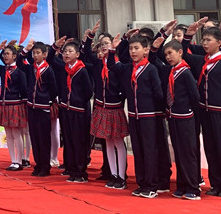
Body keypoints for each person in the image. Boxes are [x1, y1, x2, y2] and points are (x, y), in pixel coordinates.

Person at [114, 32, 165, 198]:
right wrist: (112, 50)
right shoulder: (129, 68)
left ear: (146, 50)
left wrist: (156, 111)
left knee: (150, 150)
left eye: (137, 48)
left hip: (148, 116)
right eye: (131, 49)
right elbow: (112, 66)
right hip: (133, 115)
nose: (133, 52)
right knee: (137, 149)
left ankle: (152, 185)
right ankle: (142, 183)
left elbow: (158, 93)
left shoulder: (151, 69)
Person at [152, 36, 202, 200]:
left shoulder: (185, 72)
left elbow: (194, 96)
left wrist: (192, 114)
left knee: (188, 153)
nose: (168, 57)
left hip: (186, 117)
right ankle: (181, 185)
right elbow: (153, 60)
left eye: (170, 53)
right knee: (179, 152)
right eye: (166, 54)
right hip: (173, 117)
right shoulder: (170, 71)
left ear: (180, 52)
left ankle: (193, 187)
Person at [83, 28, 128, 189]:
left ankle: (122, 176)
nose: (104, 46)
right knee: (107, 142)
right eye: (102, 44)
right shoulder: (97, 63)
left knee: (118, 142)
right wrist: (90, 36)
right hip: (101, 107)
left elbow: (123, 85)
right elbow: (86, 52)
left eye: (107, 43)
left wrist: (120, 97)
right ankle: (113, 175)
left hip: (114, 107)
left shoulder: (117, 64)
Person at [50, 38, 92, 183]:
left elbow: (88, 91)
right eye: (65, 51)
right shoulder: (64, 68)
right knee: (68, 140)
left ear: (77, 54)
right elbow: (50, 59)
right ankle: (72, 170)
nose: (67, 54)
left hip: (78, 111)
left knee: (78, 141)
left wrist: (77, 101)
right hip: (65, 109)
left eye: (70, 51)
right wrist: (55, 46)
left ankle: (81, 172)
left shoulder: (82, 70)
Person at [18, 39, 58, 177]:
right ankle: (38, 165)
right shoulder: (31, 68)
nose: (35, 56)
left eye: (38, 53)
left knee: (43, 137)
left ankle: (45, 166)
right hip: (32, 107)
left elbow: (53, 89)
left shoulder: (48, 70)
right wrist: (26, 50)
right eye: (34, 53)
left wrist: (48, 101)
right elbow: (19, 63)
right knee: (34, 137)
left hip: (43, 107)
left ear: (44, 54)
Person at [0, 40, 28, 171]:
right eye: (4, 54)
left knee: (17, 134)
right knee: (9, 134)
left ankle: (20, 160)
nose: (5, 56)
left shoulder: (20, 71)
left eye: (8, 54)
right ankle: (13, 160)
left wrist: (21, 103)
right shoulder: (3, 69)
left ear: (15, 56)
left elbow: (24, 89)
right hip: (4, 104)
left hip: (15, 104)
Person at [197, 26, 221, 196]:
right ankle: (216, 183)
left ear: (219, 43)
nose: (205, 43)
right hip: (205, 111)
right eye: (203, 40)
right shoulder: (203, 61)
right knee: (210, 147)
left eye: (208, 40)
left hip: (219, 111)